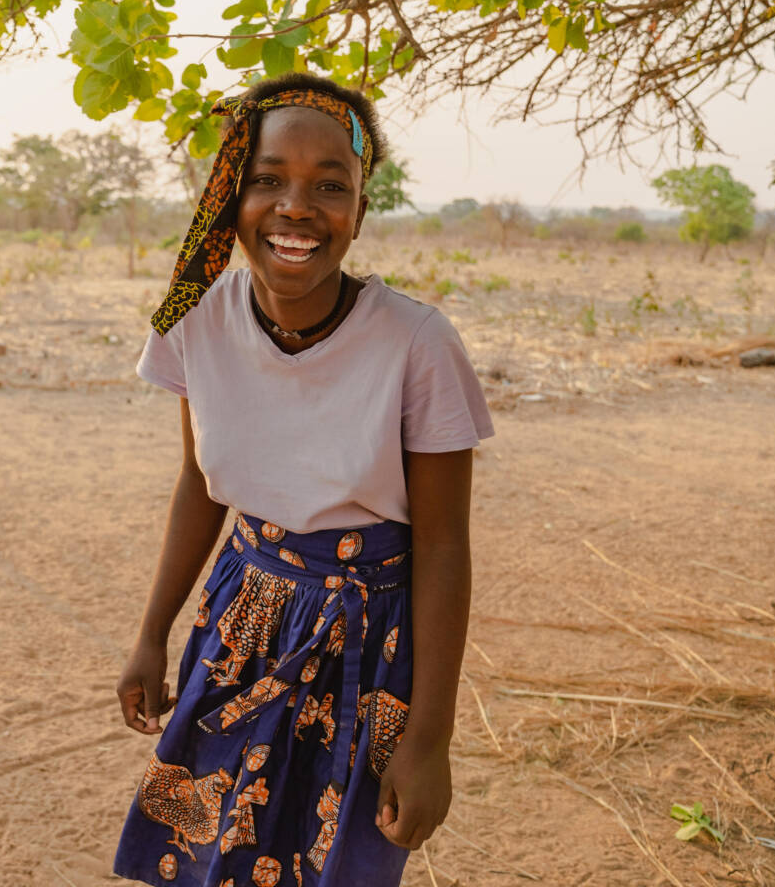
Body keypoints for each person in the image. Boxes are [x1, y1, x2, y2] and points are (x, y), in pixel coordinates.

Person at [111, 73, 494, 887]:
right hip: (240, 622)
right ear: (230, 192)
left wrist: (430, 738)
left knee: (337, 865)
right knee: (207, 853)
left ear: (359, 206)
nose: (295, 206)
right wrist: (152, 631)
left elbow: (445, 545)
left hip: (370, 640)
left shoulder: (416, 344)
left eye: (330, 186)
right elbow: (199, 481)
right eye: (267, 179)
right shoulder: (195, 316)